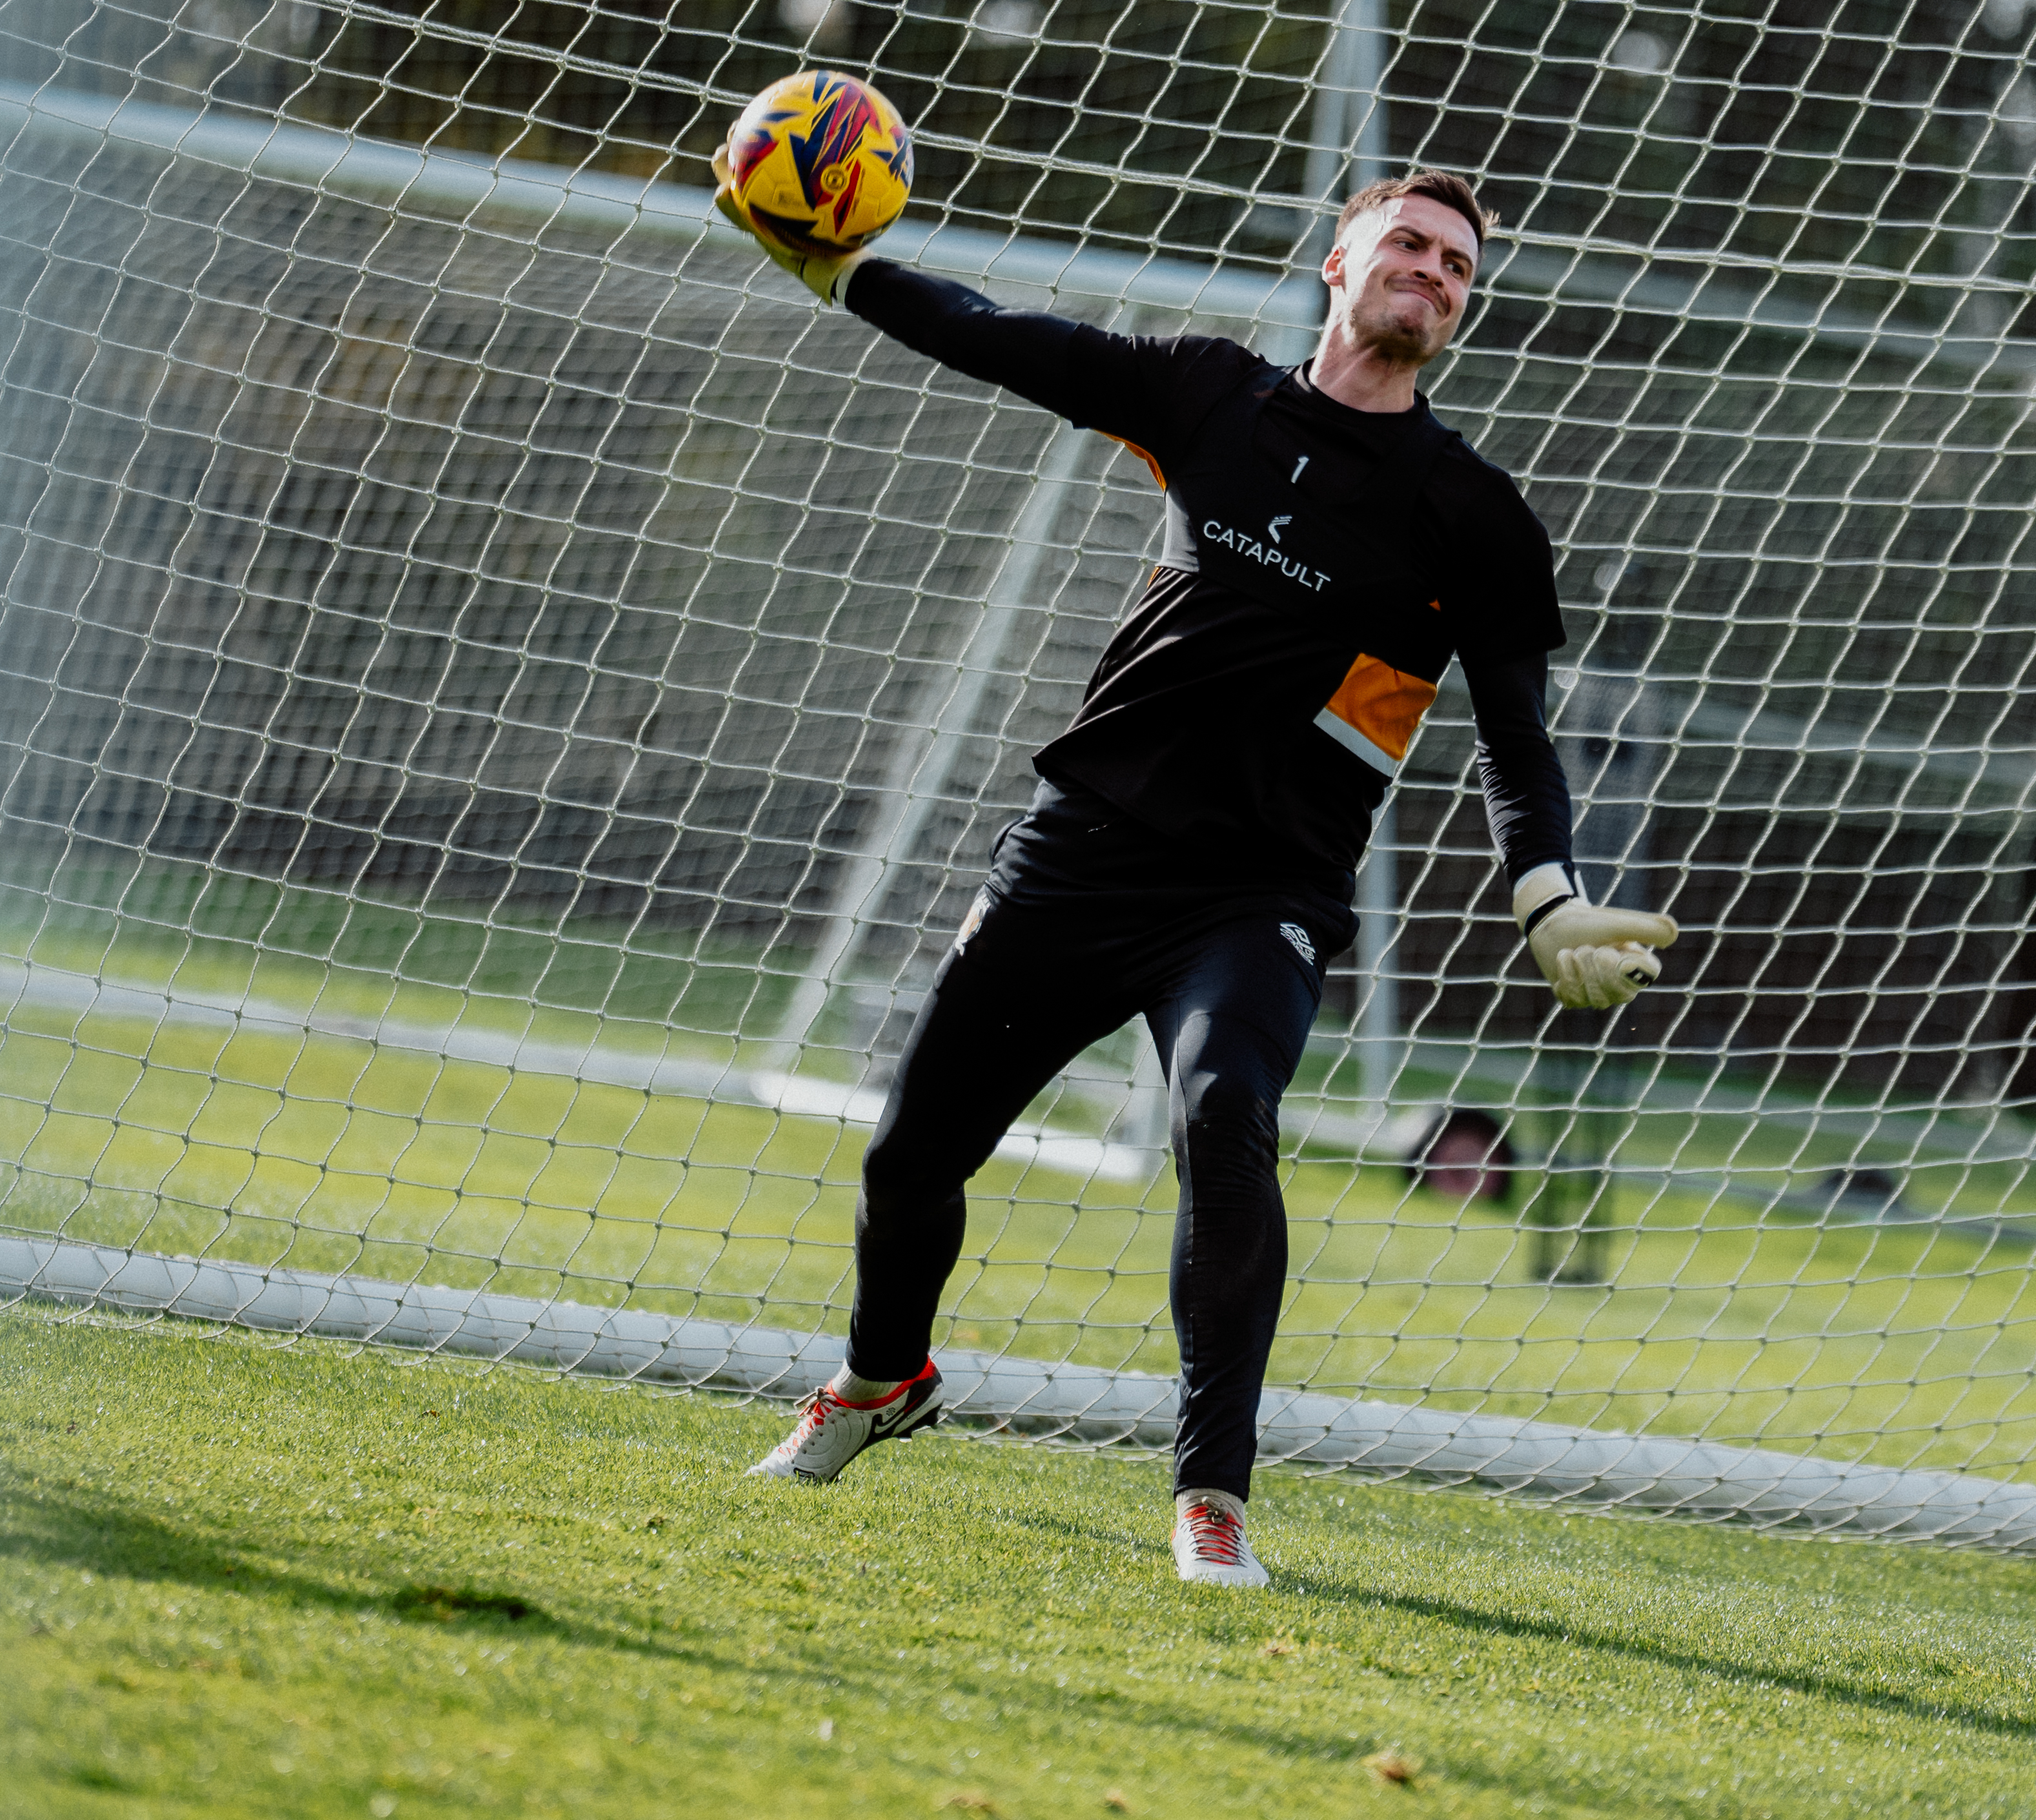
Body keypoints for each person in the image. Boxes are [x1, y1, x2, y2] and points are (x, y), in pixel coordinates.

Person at [712, 152, 1680, 1586]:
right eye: (1409, 244)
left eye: (1459, 266)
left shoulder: (1473, 516)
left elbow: (1518, 738)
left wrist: (1545, 888)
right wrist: (850, 273)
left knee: (1225, 1115)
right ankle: (878, 1379)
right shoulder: (1210, 394)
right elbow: (1002, 339)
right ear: (1340, 265)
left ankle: (1210, 1496)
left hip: (1260, 893)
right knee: (913, 1150)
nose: (1433, 271)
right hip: (1081, 848)